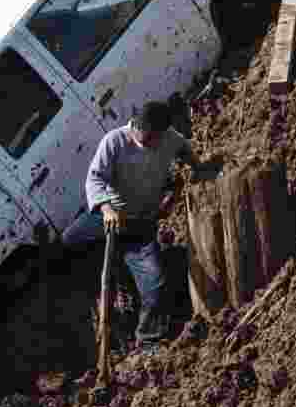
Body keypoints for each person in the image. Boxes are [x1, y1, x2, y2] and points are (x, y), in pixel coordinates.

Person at [61, 100, 202, 355]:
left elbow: (184, 149)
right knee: (70, 241)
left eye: (152, 139)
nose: (147, 142)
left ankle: (148, 338)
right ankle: (100, 298)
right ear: (134, 124)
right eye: (143, 136)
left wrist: (198, 166)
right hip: (108, 218)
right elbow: (95, 178)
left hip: (140, 226)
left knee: (155, 284)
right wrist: (106, 208)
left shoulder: (170, 139)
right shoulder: (114, 141)